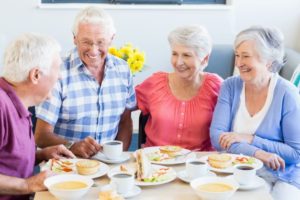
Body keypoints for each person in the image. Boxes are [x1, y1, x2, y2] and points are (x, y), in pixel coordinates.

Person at [210, 26, 300, 200]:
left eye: (245, 56)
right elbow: (218, 138)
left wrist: (250, 139)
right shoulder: (230, 86)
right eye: (237, 55)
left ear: (267, 61)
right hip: (244, 169)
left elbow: (296, 154)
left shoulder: (287, 93)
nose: (238, 63)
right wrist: (258, 153)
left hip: (286, 174)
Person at [34, 6, 136, 158]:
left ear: (111, 38)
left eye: (100, 42)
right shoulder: (57, 71)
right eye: (86, 42)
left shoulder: (123, 69)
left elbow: (125, 122)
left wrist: (118, 157)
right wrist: (72, 146)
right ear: (75, 39)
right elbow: (41, 136)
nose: (94, 51)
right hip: (67, 164)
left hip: (108, 165)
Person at [0, 33, 75, 200]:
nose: (60, 76)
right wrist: (27, 185)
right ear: (35, 75)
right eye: (57, 69)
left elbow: (7, 160)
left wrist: (42, 154)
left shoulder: (19, 104)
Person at [135, 25, 223, 150]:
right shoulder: (155, 84)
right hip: (156, 162)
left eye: (186, 55)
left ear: (205, 59)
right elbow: (123, 105)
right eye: (175, 54)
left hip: (199, 163)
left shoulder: (216, 86)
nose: (178, 62)